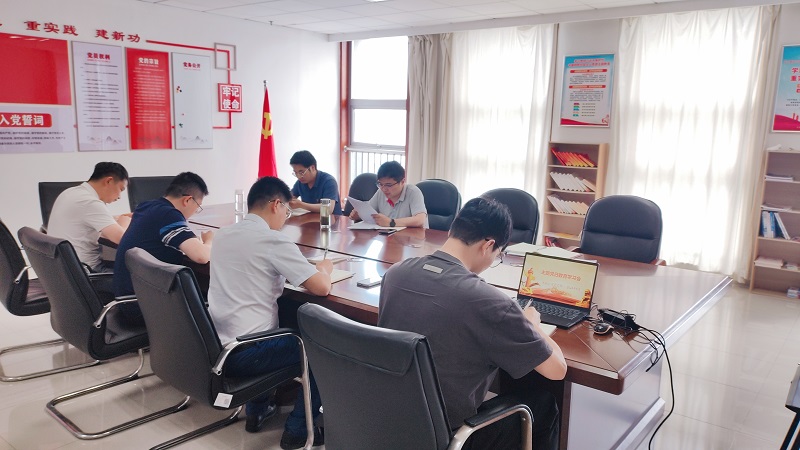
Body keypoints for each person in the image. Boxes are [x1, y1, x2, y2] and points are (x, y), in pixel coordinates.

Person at [377, 197, 566, 450]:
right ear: (488, 245)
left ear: (453, 230)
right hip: (447, 438)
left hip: (385, 421)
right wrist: (532, 324)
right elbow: (557, 370)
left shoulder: (395, 274)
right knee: (543, 404)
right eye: (497, 255)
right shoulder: (491, 303)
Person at [207, 176, 330, 449]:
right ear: (276, 204)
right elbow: (321, 287)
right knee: (322, 347)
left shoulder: (223, 234)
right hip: (248, 353)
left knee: (273, 317)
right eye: (287, 211)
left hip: (216, 346)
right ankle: (298, 431)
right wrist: (324, 269)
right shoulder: (272, 241)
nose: (286, 218)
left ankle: (257, 410)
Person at [112, 172, 213, 325]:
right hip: (147, 307)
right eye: (197, 207)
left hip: (130, 299)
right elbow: (201, 256)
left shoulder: (147, 206)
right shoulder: (168, 215)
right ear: (187, 200)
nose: (194, 213)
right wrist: (209, 241)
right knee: (214, 298)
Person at [48, 162, 132, 273]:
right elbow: (122, 239)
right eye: (121, 189)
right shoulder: (90, 202)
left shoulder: (71, 192)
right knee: (137, 273)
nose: (119, 197)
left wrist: (118, 218)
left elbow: (87, 219)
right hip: (87, 272)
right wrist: (124, 220)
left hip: (64, 270)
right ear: (109, 181)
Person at [348, 161, 428, 228]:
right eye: (380, 184)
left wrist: (391, 222)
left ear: (402, 182)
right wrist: (359, 215)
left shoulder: (413, 192)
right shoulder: (381, 192)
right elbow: (369, 212)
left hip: (415, 239)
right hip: (391, 238)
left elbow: (420, 219)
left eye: (389, 185)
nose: (384, 189)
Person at [288, 150, 342, 215]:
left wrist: (301, 205)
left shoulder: (329, 181)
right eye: (296, 173)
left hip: (331, 219)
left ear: (312, 168)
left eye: (301, 172)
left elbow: (328, 209)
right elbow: (290, 197)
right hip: (310, 219)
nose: (298, 176)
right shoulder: (300, 182)